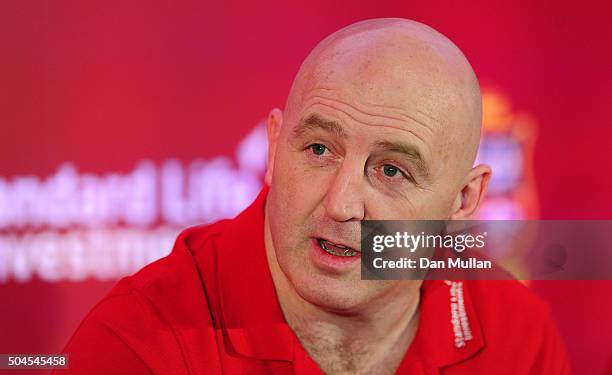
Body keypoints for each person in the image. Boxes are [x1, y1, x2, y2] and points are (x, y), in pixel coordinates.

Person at [56, 18, 571, 374]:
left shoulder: (516, 336)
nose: (341, 204)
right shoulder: (141, 343)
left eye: (391, 170)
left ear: (463, 201)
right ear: (276, 145)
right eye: (320, 148)